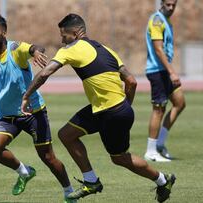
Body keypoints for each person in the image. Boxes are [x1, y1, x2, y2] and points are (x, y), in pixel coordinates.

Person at [21, 13, 175, 202]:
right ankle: (91, 180)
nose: (62, 41)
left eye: (64, 36)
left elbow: (45, 73)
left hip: (110, 112)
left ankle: (162, 180)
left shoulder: (71, 49)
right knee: (67, 134)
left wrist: (27, 96)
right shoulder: (107, 49)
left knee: (120, 158)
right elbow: (132, 81)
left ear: (76, 33)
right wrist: (125, 107)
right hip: (109, 109)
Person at [0, 15, 76, 203]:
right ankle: (24, 171)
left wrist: (37, 52)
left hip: (32, 112)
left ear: (4, 32)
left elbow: (34, 48)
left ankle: (69, 192)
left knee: (48, 157)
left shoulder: (16, 50)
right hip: (7, 115)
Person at [144, 0, 185, 162]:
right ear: (161, 3)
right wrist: (172, 72)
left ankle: (159, 145)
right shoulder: (157, 20)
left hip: (165, 72)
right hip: (157, 71)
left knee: (180, 102)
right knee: (158, 109)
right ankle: (151, 151)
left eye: (173, 5)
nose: (171, 8)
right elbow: (158, 49)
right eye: (168, 4)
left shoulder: (166, 21)